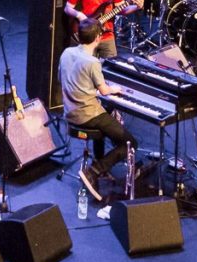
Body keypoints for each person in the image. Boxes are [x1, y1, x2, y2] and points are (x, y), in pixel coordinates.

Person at [58, 18, 138, 201]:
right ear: (98, 38)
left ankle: (99, 162)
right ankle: (94, 171)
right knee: (130, 143)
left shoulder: (66, 53)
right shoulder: (92, 62)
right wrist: (114, 89)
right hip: (87, 115)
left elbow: (63, 79)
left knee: (107, 113)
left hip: (69, 111)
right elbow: (104, 91)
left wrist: (87, 89)